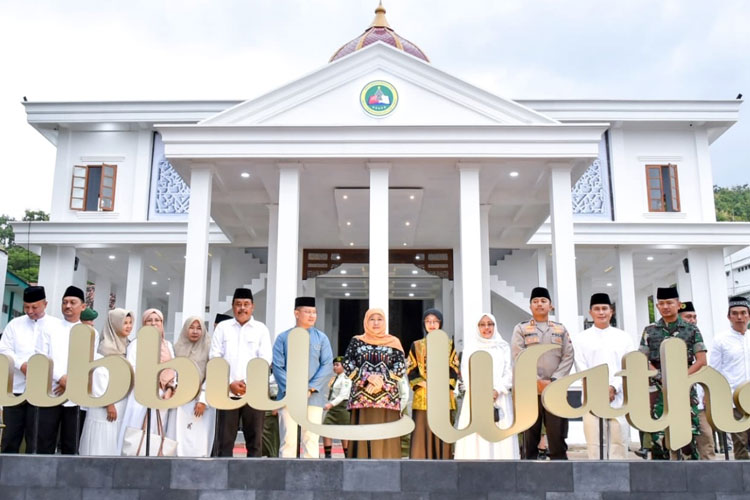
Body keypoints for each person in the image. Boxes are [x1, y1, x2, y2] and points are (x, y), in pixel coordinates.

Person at [640, 287, 706, 460]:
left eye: (669, 303)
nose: (665, 306)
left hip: (684, 388)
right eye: (661, 303)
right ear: (657, 306)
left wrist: (679, 378)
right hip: (658, 387)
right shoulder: (650, 330)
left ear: (678, 304)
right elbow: (641, 359)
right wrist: (660, 376)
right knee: (658, 437)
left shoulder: (691, 330)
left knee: (687, 436)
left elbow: (701, 360)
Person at [511, 286, 574, 460]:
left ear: (550, 306)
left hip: (556, 391)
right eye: (535, 301)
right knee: (529, 436)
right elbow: (518, 357)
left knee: (557, 436)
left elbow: (568, 355)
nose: (539, 304)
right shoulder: (521, 329)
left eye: (543, 301)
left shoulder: (560, 329)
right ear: (530, 306)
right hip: (530, 392)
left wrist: (554, 380)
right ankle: (527, 477)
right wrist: (537, 381)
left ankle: (560, 476)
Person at [209, 288, 271, 457]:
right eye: (238, 304)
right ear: (232, 306)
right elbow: (215, 357)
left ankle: (253, 480)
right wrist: (230, 382)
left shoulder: (261, 329)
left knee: (255, 441)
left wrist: (247, 384)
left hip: (254, 393)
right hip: (226, 392)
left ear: (253, 307)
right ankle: (222, 480)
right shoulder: (223, 328)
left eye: (246, 304)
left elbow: (265, 359)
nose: (242, 308)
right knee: (224, 441)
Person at [572, 293, 634, 459]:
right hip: (591, 397)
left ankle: (619, 480)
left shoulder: (623, 337)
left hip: (619, 397)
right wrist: (599, 389)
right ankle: (597, 480)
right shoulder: (581, 338)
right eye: (597, 309)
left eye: (604, 308)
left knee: (618, 441)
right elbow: (581, 366)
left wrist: (614, 387)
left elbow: (628, 366)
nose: (601, 312)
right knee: (595, 443)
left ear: (611, 311)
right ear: (590, 312)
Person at [272, 296, 333, 458]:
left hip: (313, 396)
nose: (312, 315)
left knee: (311, 439)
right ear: (296, 313)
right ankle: (285, 478)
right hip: (288, 397)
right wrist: (293, 390)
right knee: (288, 440)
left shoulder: (322, 338)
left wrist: (310, 387)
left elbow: (327, 366)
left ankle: (310, 479)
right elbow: (278, 367)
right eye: (307, 312)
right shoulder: (283, 338)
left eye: (314, 312)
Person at [342, 308, 406, 459]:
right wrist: (367, 378)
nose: (376, 322)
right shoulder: (356, 341)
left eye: (379, 319)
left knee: (386, 439)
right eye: (372, 319)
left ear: (385, 321)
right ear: (366, 321)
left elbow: (400, 367)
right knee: (362, 438)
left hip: (387, 399)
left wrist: (381, 380)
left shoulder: (394, 341)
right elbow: (347, 363)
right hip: (361, 398)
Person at [455, 313, 519, 459]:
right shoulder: (471, 347)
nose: (486, 328)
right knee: (476, 436)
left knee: (500, 433)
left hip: (499, 397)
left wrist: (497, 390)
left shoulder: (503, 347)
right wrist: (481, 392)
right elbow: (466, 372)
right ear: (477, 327)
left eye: (490, 324)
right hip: (476, 397)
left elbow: (509, 372)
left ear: (494, 326)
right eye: (482, 324)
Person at [0, 286, 56, 453]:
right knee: (11, 435)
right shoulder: (14, 325)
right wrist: (21, 365)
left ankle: (34, 477)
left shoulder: (55, 326)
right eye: (26, 307)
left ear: (45, 304)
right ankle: (5, 475)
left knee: (38, 437)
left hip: (42, 391)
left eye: (35, 307)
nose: (30, 311)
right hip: (15, 389)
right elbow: (4, 349)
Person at [35, 285, 88, 454]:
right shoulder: (49, 327)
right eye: (65, 302)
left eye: (73, 302)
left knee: (71, 443)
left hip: (75, 395)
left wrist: (71, 382)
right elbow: (40, 357)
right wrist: (60, 378)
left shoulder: (88, 332)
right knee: (44, 440)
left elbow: (89, 362)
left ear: (83, 306)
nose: (68, 306)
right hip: (51, 392)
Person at [117, 308, 177, 454]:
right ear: (144, 324)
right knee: (137, 431)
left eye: (157, 320)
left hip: (163, 396)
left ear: (162, 323)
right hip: (141, 395)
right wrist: (150, 386)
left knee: (158, 432)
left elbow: (173, 369)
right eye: (149, 320)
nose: (153, 323)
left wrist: (169, 389)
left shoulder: (167, 345)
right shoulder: (136, 344)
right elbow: (131, 369)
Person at [79, 308, 133, 455]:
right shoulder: (105, 347)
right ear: (114, 324)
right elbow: (98, 376)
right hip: (104, 405)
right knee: (101, 443)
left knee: (115, 442)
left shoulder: (128, 346)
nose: (128, 326)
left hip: (121, 403)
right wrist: (109, 404)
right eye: (124, 323)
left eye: (130, 323)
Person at [407, 308, 460, 459]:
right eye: (428, 321)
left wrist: (444, 386)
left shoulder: (449, 345)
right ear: (424, 324)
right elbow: (411, 368)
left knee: (442, 431)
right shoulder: (416, 345)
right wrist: (423, 384)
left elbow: (454, 367)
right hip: (423, 394)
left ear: (440, 323)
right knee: (422, 430)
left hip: (443, 395)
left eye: (435, 321)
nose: (432, 324)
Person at [709, 296, 750, 459]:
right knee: (740, 444)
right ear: (729, 317)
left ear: (748, 315)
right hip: (735, 400)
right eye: (735, 313)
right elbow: (715, 371)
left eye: (743, 313)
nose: (739, 317)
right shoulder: (721, 340)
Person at [174, 316, 215, 457]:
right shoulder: (177, 347)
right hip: (180, 400)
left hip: (201, 402)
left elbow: (211, 375)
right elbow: (172, 372)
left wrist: (202, 399)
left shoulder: (209, 348)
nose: (195, 331)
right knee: (180, 439)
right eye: (191, 327)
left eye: (199, 328)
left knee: (200, 442)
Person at [679, 301, 716, 460]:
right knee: (681, 444)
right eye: (688, 317)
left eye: (694, 317)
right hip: (677, 400)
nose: (692, 320)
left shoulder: (699, 339)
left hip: (698, 401)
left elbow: (705, 365)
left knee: (706, 440)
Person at [322, 356, 352, 458]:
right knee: (326, 429)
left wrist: (331, 404)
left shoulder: (346, 378)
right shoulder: (335, 378)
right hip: (333, 408)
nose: (334, 367)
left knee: (344, 432)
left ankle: (347, 455)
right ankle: (328, 455)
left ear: (344, 366)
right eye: (334, 365)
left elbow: (343, 395)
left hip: (342, 407)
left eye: (337, 365)